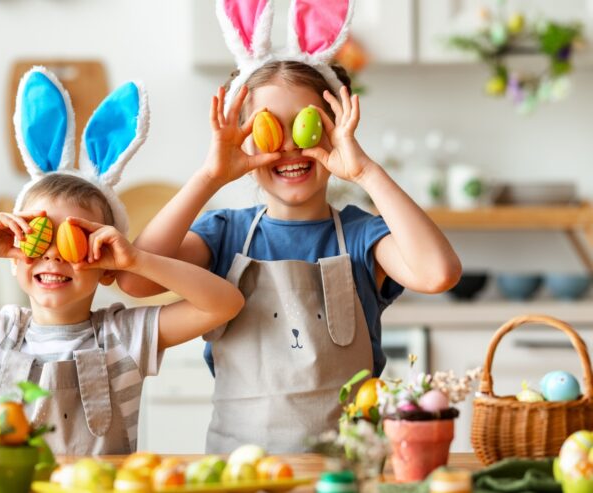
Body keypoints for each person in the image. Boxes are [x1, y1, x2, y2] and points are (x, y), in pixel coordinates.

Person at [116, 0, 462, 453]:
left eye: (307, 129)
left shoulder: (362, 236)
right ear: (243, 140)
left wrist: (364, 172)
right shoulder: (224, 235)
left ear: (336, 130)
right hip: (240, 474)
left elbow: (438, 273)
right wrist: (210, 176)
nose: (290, 151)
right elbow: (134, 279)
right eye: (267, 132)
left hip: (346, 472)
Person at [0, 68, 244, 455]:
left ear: (106, 265)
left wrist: (136, 260)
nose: (52, 253)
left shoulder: (125, 336)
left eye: (73, 241)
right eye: (39, 238)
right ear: (13, 258)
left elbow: (225, 304)